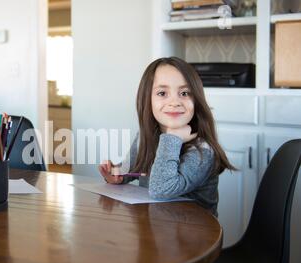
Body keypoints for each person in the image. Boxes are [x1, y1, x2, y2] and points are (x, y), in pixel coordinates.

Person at [99, 57, 235, 217]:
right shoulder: (146, 136)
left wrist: (173, 139)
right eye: (162, 93)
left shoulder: (202, 151)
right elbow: (135, 169)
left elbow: (161, 189)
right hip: (156, 225)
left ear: (196, 100)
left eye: (184, 93)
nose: (174, 102)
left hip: (195, 235)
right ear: (147, 100)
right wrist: (118, 175)